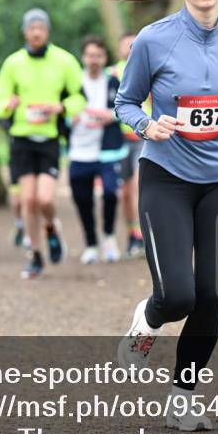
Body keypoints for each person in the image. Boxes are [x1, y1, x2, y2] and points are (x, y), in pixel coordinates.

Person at [97, 0, 218, 431]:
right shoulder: (155, 40)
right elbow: (124, 102)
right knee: (178, 296)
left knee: (212, 296)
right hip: (166, 177)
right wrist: (146, 125)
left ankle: (183, 395)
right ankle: (147, 321)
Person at [0, 8, 86, 279]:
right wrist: (6, 106)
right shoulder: (13, 63)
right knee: (27, 200)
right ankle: (35, 255)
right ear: (24, 31)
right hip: (21, 139)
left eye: (40, 28)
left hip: (49, 139)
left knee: (45, 198)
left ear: (47, 31)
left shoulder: (64, 61)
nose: (36, 32)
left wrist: (60, 107)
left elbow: (79, 97)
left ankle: (52, 228)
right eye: (31, 28)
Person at [68, 35, 127, 264]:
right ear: (83, 57)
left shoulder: (114, 83)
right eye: (90, 55)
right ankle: (91, 243)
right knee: (82, 198)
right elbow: (63, 109)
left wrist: (109, 115)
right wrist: (68, 119)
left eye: (99, 56)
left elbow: (126, 108)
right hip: (79, 150)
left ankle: (109, 236)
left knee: (111, 192)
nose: (94, 60)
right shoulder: (73, 83)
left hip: (108, 149)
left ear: (104, 59)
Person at [112, 31, 147, 258]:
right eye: (126, 46)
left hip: (142, 138)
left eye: (134, 45)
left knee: (137, 186)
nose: (130, 49)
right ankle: (132, 233)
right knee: (124, 193)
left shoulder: (149, 70)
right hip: (117, 140)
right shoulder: (111, 74)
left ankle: (142, 236)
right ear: (119, 49)